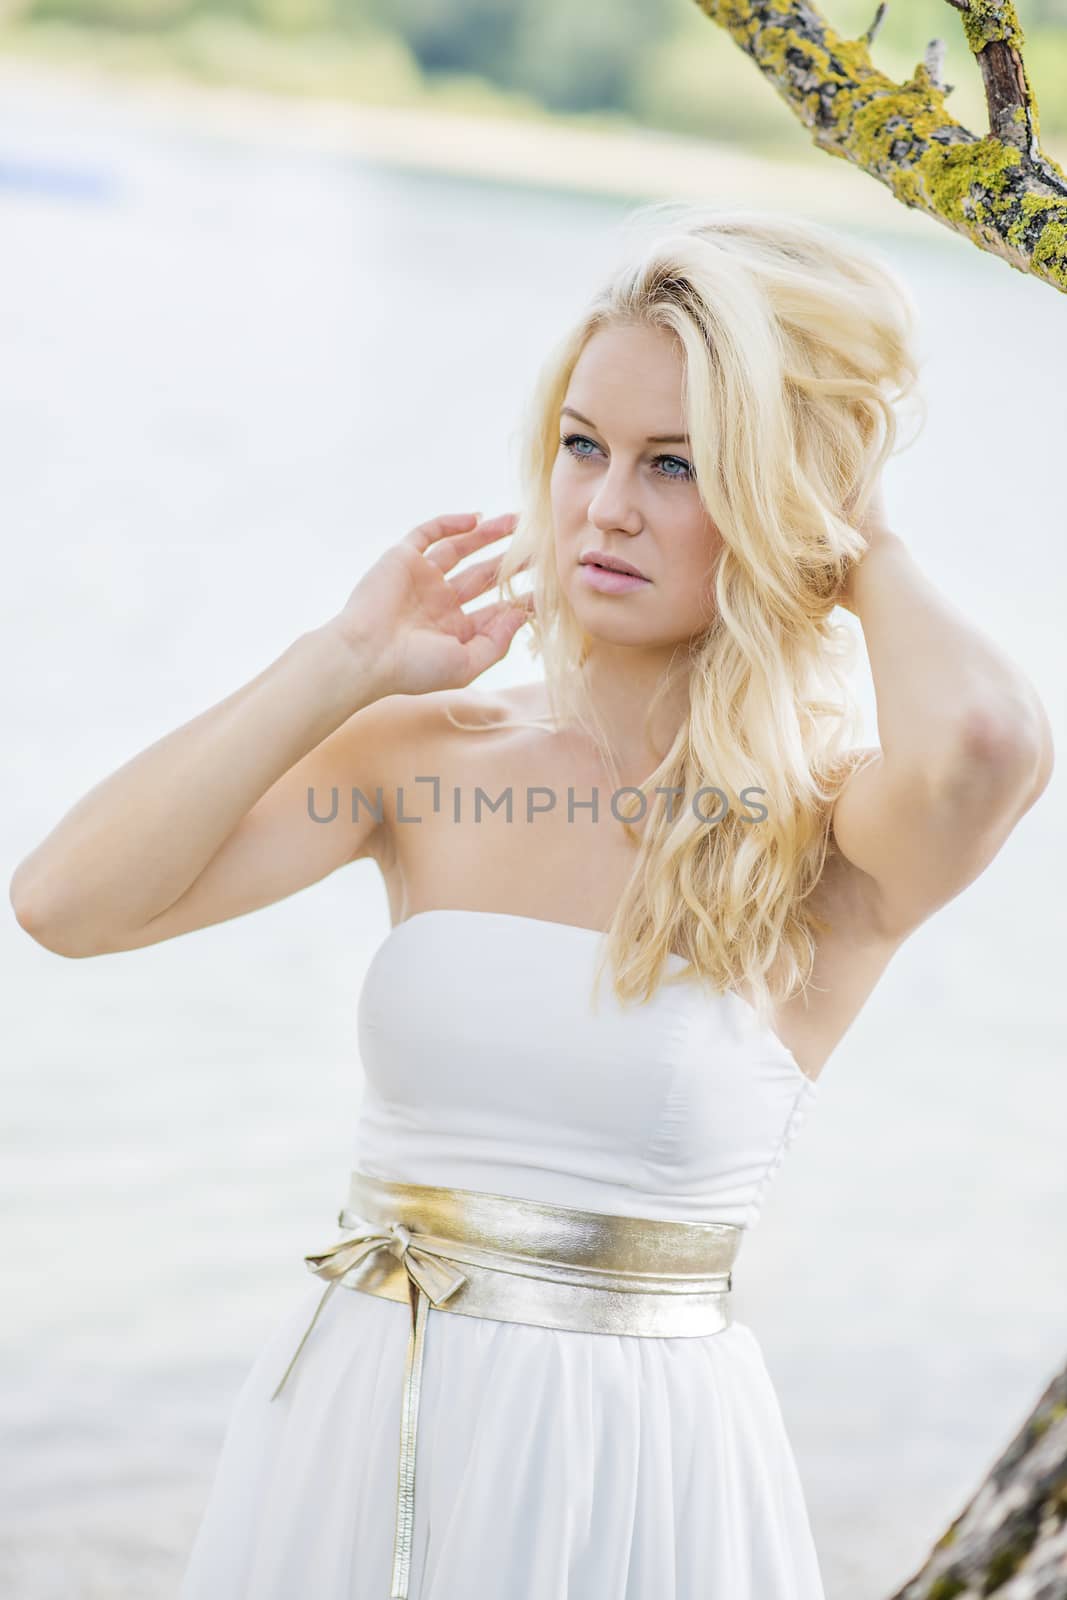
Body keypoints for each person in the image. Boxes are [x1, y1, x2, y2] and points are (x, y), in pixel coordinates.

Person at [10, 203, 1053, 1600]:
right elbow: (68, 902)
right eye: (585, 445)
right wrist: (338, 662)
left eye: (680, 464)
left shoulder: (829, 836)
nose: (607, 505)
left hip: (640, 1464)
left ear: (770, 492)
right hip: (358, 1416)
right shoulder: (427, 759)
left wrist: (853, 534)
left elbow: (990, 742)